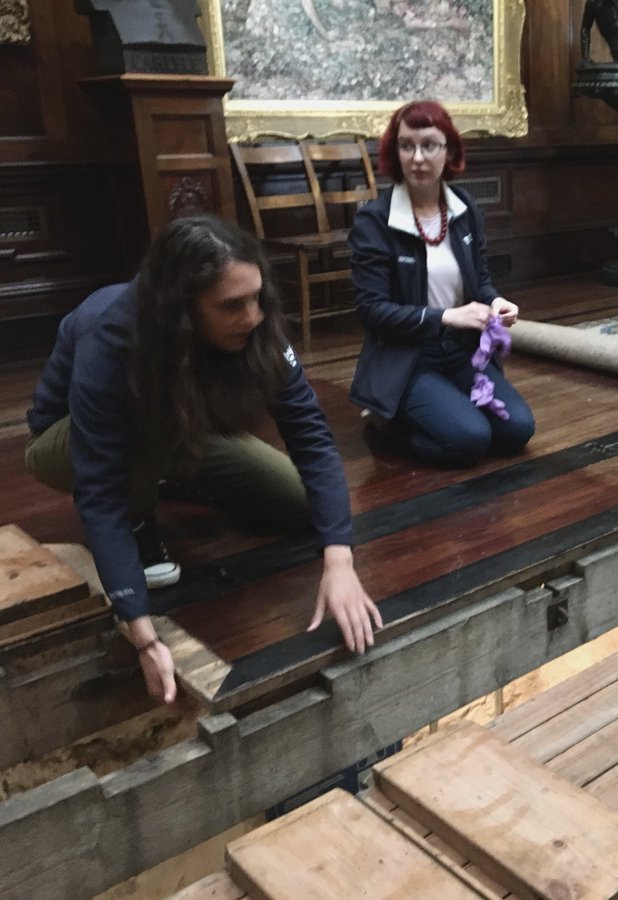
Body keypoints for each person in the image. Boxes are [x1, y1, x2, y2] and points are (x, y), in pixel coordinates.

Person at [25, 216, 382, 704]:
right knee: (144, 435)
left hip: (179, 427)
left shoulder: (256, 324)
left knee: (301, 504)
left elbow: (312, 437)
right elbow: (99, 491)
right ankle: (143, 510)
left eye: (256, 297)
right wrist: (143, 633)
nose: (253, 316)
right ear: (181, 310)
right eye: (232, 305)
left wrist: (339, 560)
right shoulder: (113, 337)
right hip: (66, 441)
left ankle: (166, 476)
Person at [348, 100, 535, 466]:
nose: (418, 158)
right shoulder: (374, 222)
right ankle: (385, 419)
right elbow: (372, 312)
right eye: (407, 146)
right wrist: (447, 317)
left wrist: (494, 302)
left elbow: (479, 281)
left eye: (429, 145)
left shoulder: (464, 208)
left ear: (448, 150)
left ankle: (443, 406)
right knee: (470, 440)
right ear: (394, 152)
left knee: (517, 430)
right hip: (408, 359)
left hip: (460, 353)